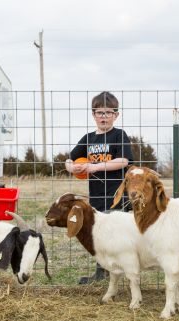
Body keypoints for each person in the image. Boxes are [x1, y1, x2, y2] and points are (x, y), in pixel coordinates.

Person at [65, 91, 133, 284]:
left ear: (116, 115)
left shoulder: (119, 135)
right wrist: (73, 167)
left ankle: (123, 271)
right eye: (100, 113)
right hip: (96, 195)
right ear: (93, 114)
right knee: (99, 232)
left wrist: (95, 166)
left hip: (118, 194)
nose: (104, 117)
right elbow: (69, 159)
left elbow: (123, 160)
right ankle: (101, 272)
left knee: (117, 233)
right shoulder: (88, 138)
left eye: (108, 113)